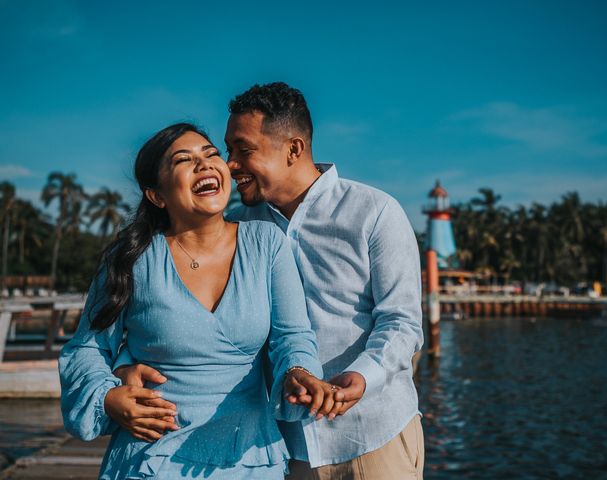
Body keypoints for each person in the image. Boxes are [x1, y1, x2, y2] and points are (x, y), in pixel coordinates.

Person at [117, 82, 425, 479]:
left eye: (243, 150)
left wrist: (362, 378)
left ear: (293, 149)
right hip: (279, 446)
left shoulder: (374, 212)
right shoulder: (239, 229)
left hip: (371, 436)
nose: (229, 164)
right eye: (228, 151)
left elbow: (401, 322)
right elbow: (173, 320)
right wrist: (124, 366)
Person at [58, 122, 340, 480]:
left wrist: (300, 373)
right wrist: (108, 398)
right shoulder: (130, 259)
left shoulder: (266, 243)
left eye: (210, 155)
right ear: (157, 195)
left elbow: (293, 336)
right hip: (150, 459)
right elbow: (87, 347)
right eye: (184, 160)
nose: (204, 165)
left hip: (248, 459)